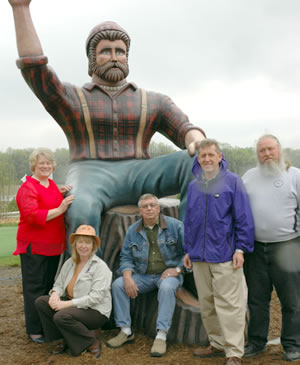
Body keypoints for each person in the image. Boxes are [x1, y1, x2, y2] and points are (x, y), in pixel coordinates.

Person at [8, 0, 206, 253]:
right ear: (92, 59)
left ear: (127, 56)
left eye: (120, 51)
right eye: (106, 51)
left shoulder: (152, 100)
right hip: (91, 173)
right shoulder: (72, 98)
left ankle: (192, 253)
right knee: (81, 207)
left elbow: (184, 128)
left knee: (198, 160)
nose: (114, 57)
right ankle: (90, 281)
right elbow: (36, 71)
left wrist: (197, 139)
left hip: (141, 171)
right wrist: (20, 8)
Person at [183, 139, 254, 365]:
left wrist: (241, 248)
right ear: (198, 159)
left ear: (219, 156)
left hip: (225, 254)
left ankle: (233, 352)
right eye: (202, 156)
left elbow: (243, 218)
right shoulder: (193, 186)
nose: (206, 159)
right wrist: (188, 250)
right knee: (207, 303)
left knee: (229, 305)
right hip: (199, 257)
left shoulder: (232, 182)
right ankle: (216, 343)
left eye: (210, 155)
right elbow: (190, 221)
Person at [242, 135, 300, 362]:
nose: (266, 154)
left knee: (291, 300)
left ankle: (293, 344)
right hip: (255, 249)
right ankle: (257, 342)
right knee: (257, 300)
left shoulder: (294, 176)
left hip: (287, 246)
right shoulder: (248, 177)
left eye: (270, 149)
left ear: (279, 151)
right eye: (261, 151)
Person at [106, 193, 185, 357]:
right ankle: (125, 330)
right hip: (144, 275)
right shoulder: (133, 230)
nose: (149, 209)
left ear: (158, 208)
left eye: (152, 205)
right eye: (145, 206)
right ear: (140, 211)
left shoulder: (176, 226)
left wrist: (177, 270)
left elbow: (189, 252)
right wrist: (127, 277)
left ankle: (161, 335)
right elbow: (126, 257)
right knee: (118, 285)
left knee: (167, 286)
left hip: (168, 275)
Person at [13, 148, 74, 343]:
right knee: (35, 289)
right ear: (34, 166)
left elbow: (50, 196)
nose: (46, 166)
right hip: (35, 247)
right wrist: (61, 208)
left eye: (49, 163)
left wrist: (59, 193)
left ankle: (47, 326)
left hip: (53, 246)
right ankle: (35, 330)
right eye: (42, 164)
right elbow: (32, 215)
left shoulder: (52, 185)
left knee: (49, 287)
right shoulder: (27, 188)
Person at [35, 225, 112, 358]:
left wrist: (66, 304)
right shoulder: (69, 263)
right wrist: (55, 294)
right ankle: (64, 338)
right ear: (75, 244)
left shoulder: (100, 267)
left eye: (87, 242)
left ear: (93, 246)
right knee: (41, 302)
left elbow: (96, 298)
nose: (83, 246)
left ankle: (91, 341)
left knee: (61, 316)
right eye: (80, 242)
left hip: (95, 310)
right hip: (74, 306)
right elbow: (58, 284)